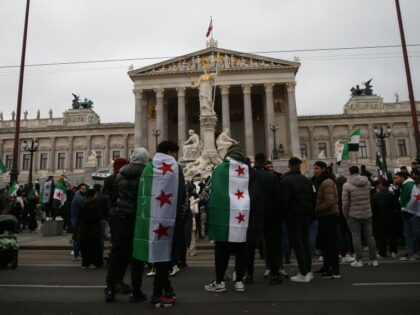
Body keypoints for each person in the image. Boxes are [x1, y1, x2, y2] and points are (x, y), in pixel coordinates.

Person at [131, 141, 186, 307]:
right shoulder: (175, 168)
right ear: (171, 151)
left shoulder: (148, 167)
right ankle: (157, 294)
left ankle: (143, 291)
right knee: (164, 256)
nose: (176, 156)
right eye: (175, 152)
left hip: (147, 218)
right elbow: (181, 195)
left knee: (147, 254)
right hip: (168, 218)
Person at [205, 144, 262, 293]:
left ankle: (220, 281)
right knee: (241, 248)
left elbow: (214, 193)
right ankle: (239, 282)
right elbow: (255, 194)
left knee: (221, 249)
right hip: (242, 216)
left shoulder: (219, 169)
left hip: (223, 216)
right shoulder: (249, 170)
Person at [105, 148, 149, 303]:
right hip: (138, 219)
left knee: (117, 254)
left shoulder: (120, 175)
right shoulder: (146, 174)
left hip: (121, 218)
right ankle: (135, 292)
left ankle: (110, 289)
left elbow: (115, 197)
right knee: (137, 256)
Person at [245, 153, 280, 285]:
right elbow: (277, 197)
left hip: (252, 214)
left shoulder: (249, 176)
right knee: (271, 245)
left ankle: (249, 275)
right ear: (265, 162)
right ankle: (274, 274)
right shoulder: (272, 177)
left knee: (250, 246)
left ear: (254, 162)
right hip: (269, 214)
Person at [282, 157, 315, 282]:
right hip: (306, 215)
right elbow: (313, 197)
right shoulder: (307, 180)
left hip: (293, 216)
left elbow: (285, 201)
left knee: (298, 244)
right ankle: (308, 270)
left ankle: (303, 273)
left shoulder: (286, 181)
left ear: (290, 166)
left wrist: (285, 215)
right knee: (305, 242)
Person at [343, 166, 378, 267]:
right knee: (370, 236)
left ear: (350, 172)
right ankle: (374, 259)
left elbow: (345, 203)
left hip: (353, 214)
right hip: (367, 213)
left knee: (356, 236)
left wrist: (346, 215)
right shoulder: (368, 183)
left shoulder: (347, 185)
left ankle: (359, 260)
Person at [313, 161, 341, 278]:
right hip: (326, 215)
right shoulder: (324, 181)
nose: (315, 171)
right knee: (325, 243)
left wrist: (317, 209)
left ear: (323, 169)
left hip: (329, 215)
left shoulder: (327, 182)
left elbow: (330, 201)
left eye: (317, 168)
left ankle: (333, 269)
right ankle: (326, 266)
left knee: (330, 244)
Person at [394, 171, 420, 260]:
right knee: (408, 234)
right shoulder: (404, 185)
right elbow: (400, 197)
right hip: (407, 213)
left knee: (414, 234)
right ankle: (411, 253)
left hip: (412, 213)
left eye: (397, 178)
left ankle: (414, 252)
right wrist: (396, 188)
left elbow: (415, 198)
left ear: (402, 178)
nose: (396, 180)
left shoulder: (410, 185)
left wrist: (406, 208)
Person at [371, 179, 399, 258]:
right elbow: (395, 206)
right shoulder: (391, 195)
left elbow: (372, 208)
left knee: (381, 236)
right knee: (391, 235)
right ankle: (393, 251)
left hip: (379, 218)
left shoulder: (375, 195)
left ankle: (382, 253)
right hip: (390, 217)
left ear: (381, 185)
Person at [78, 189, 104, 268]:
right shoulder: (95, 202)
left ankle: (85, 263)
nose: (96, 195)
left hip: (84, 227)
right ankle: (96, 263)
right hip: (93, 228)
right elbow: (99, 215)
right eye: (95, 194)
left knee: (85, 247)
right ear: (93, 195)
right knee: (94, 246)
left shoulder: (83, 201)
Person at [71, 184, 87, 261]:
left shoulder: (79, 196)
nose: (85, 190)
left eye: (85, 189)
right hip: (77, 220)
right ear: (79, 190)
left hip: (77, 220)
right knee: (77, 238)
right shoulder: (79, 198)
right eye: (83, 189)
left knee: (78, 238)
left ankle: (77, 252)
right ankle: (76, 254)